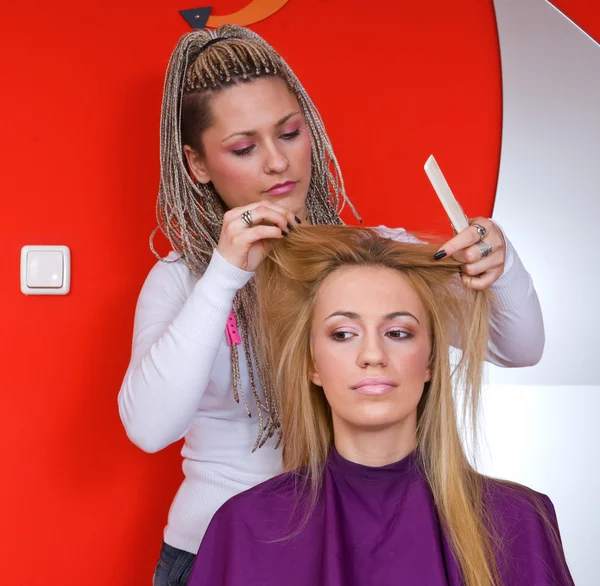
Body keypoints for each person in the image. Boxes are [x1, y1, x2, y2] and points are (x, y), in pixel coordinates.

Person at [117, 25, 545, 585]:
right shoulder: (185, 282)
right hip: (217, 553)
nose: (277, 163)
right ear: (197, 165)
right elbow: (149, 427)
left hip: (345, 549)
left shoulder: (369, 259)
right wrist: (224, 274)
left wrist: (501, 266)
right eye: (244, 148)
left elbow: (521, 348)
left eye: (289, 133)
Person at [187, 226, 572, 586]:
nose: (373, 354)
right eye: (343, 334)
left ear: (432, 360)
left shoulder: (519, 521)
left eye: (398, 332)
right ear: (312, 364)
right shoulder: (244, 528)